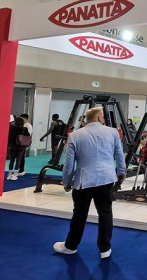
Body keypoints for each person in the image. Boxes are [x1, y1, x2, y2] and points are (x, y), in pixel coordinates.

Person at [53, 107, 126, 259]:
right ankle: (105, 249)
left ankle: (71, 246)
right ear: (99, 117)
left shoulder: (74, 135)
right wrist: (121, 172)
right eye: (103, 117)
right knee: (105, 213)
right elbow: (119, 154)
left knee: (79, 214)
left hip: (83, 180)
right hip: (106, 178)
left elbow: (69, 163)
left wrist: (66, 182)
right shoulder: (113, 132)